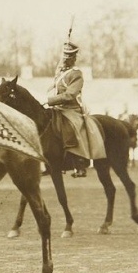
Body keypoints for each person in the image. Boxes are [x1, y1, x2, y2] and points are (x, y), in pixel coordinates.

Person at [46, 41, 91, 177]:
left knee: (69, 127)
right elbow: (60, 65)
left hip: (72, 109)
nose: (65, 59)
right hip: (58, 108)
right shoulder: (60, 72)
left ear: (74, 58)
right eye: (64, 56)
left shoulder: (76, 74)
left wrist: (51, 101)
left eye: (68, 57)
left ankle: (79, 163)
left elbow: (70, 95)